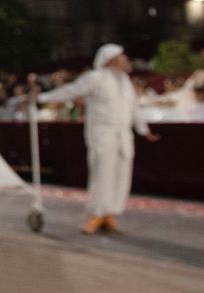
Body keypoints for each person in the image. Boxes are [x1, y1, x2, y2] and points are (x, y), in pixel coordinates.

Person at [38, 43, 159, 235]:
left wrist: (143, 130)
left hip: (123, 136)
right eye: (122, 56)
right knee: (102, 175)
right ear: (111, 59)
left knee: (121, 176)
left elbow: (134, 108)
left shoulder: (126, 81)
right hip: (103, 134)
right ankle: (96, 214)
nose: (126, 60)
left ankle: (110, 214)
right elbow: (71, 91)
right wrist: (42, 98)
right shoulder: (96, 78)